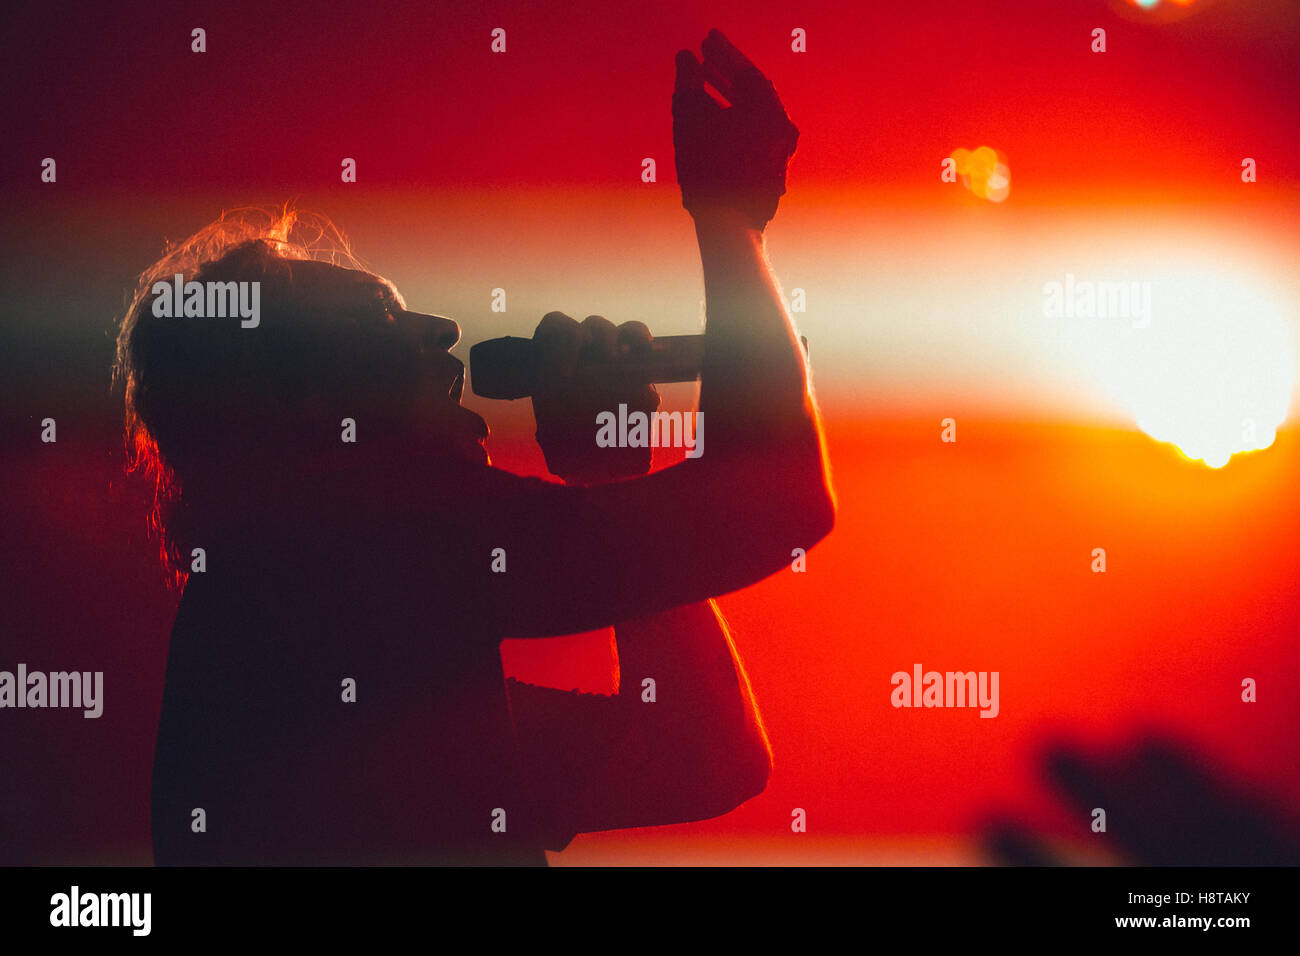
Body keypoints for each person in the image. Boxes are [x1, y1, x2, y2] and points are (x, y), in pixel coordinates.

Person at [117, 28, 834, 865]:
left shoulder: (315, 619)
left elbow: (704, 758)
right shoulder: (353, 534)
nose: (445, 331)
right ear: (294, 394)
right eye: (382, 320)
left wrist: (611, 474)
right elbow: (781, 500)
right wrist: (729, 219)